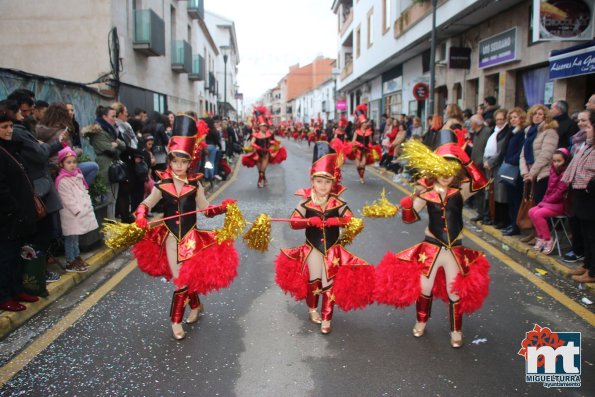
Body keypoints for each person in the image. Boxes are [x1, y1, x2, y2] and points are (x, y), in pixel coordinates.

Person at [132, 115, 240, 339]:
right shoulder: (162, 184)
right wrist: (141, 214)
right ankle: (182, 316)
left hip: (191, 239)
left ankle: (181, 316)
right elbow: (146, 203)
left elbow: (205, 210)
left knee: (185, 279)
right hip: (171, 239)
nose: (179, 166)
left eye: (183, 162)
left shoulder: (195, 184)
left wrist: (222, 208)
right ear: (169, 161)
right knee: (180, 279)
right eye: (175, 161)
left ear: (190, 162)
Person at [375, 139, 490, 348]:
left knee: (454, 290)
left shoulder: (460, 192)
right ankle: (421, 321)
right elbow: (409, 219)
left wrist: (465, 158)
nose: (446, 175)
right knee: (424, 288)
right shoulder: (426, 194)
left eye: (451, 169)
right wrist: (408, 205)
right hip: (431, 248)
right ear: (433, 169)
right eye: (441, 169)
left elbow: (481, 181)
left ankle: (456, 330)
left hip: (454, 249)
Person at [274, 141, 374, 334]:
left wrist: (338, 221)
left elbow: (351, 220)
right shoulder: (305, 201)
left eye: (327, 182)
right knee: (314, 279)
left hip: (333, 249)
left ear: (333, 183)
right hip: (312, 247)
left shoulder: (338, 201)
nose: (322, 185)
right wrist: (307, 222)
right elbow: (293, 222)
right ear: (312, 181)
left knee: (329, 282)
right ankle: (312, 309)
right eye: (319, 181)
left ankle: (327, 316)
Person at [0, 102, 40, 311]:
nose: (8, 130)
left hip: (18, 215)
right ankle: (4, 295)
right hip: (6, 216)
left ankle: (17, 290)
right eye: (4, 127)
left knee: (16, 254)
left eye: (10, 126)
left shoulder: (11, 149)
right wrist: (13, 209)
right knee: (5, 257)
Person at [562, 109, 595, 283]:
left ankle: (592, 271)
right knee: (583, 231)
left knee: (591, 234)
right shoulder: (586, 144)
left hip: (589, 195)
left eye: (588, 126)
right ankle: (587, 264)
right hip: (579, 192)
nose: (585, 130)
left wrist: (590, 187)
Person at [519, 104, 559, 245]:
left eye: (541, 114)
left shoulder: (550, 132)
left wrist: (532, 172)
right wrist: (525, 172)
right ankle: (534, 233)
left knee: (539, 205)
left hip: (543, 174)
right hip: (530, 174)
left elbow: (546, 155)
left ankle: (541, 236)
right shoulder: (529, 131)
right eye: (535, 113)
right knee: (532, 204)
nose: (537, 116)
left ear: (545, 116)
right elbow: (523, 154)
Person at [55, 147, 99, 272]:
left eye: (74, 162)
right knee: (70, 238)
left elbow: (84, 192)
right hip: (71, 215)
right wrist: (77, 210)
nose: (72, 165)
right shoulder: (62, 180)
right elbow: (67, 199)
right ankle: (70, 261)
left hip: (79, 214)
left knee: (76, 238)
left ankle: (77, 257)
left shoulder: (77, 176)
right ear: (61, 164)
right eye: (68, 162)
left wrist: (86, 207)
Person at [83, 105, 125, 220]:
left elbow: (123, 145)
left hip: (114, 165)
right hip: (105, 166)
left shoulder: (111, 130)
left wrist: (116, 144)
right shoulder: (98, 132)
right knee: (107, 198)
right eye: (113, 116)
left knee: (114, 197)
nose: (115, 119)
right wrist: (115, 144)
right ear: (104, 116)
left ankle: (111, 222)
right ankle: (108, 224)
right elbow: (108, 148)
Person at [527, 148, 569, 255]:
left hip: (560, 204)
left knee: (538, 214)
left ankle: (548, 239)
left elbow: (559, 193)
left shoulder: (566, 173)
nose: (556, 164)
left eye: (559, 161)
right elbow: (549, 190)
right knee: (531, 211)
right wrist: (545, 201)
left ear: (565, 161)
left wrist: (545, 202)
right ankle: (541, 237)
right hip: (549, 203)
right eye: (554, 161)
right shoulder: (553, 171)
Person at [483, 109, 512, 227]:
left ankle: (502, 220)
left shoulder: (507, 132)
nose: (499, 121)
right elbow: (487, 147)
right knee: (491, 193)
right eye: (497, 119)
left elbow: (501, 151)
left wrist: (490, 162)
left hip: (498, 165)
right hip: (489, 165)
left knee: (501, 194)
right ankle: (492, 216)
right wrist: (485, 161)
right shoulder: (493, 131)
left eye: (502, 119)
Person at [501, 108, 527, 237]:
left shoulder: (522, 133)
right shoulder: (512, 132)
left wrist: (511, 160)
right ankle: (512, 223)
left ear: (521, 118)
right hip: (509, 168)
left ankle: (516, 226)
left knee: (516, 199)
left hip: (516, 169)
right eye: (511, 118)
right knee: (511, 199)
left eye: (515, 117)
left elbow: (521, 150)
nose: (513, 120)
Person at [351, 104, 376, 183]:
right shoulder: (356, 131)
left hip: (365, 150)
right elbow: (353, 141)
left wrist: (371, 144)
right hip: (358, 150)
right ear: (361, 124)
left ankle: (362, 178)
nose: (365, 124)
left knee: (363, 164)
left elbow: (370, 141)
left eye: (366, 123)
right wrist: (357, 144)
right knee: (358, 166)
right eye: (364, 123)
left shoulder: (369, 132)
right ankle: (360, 176)